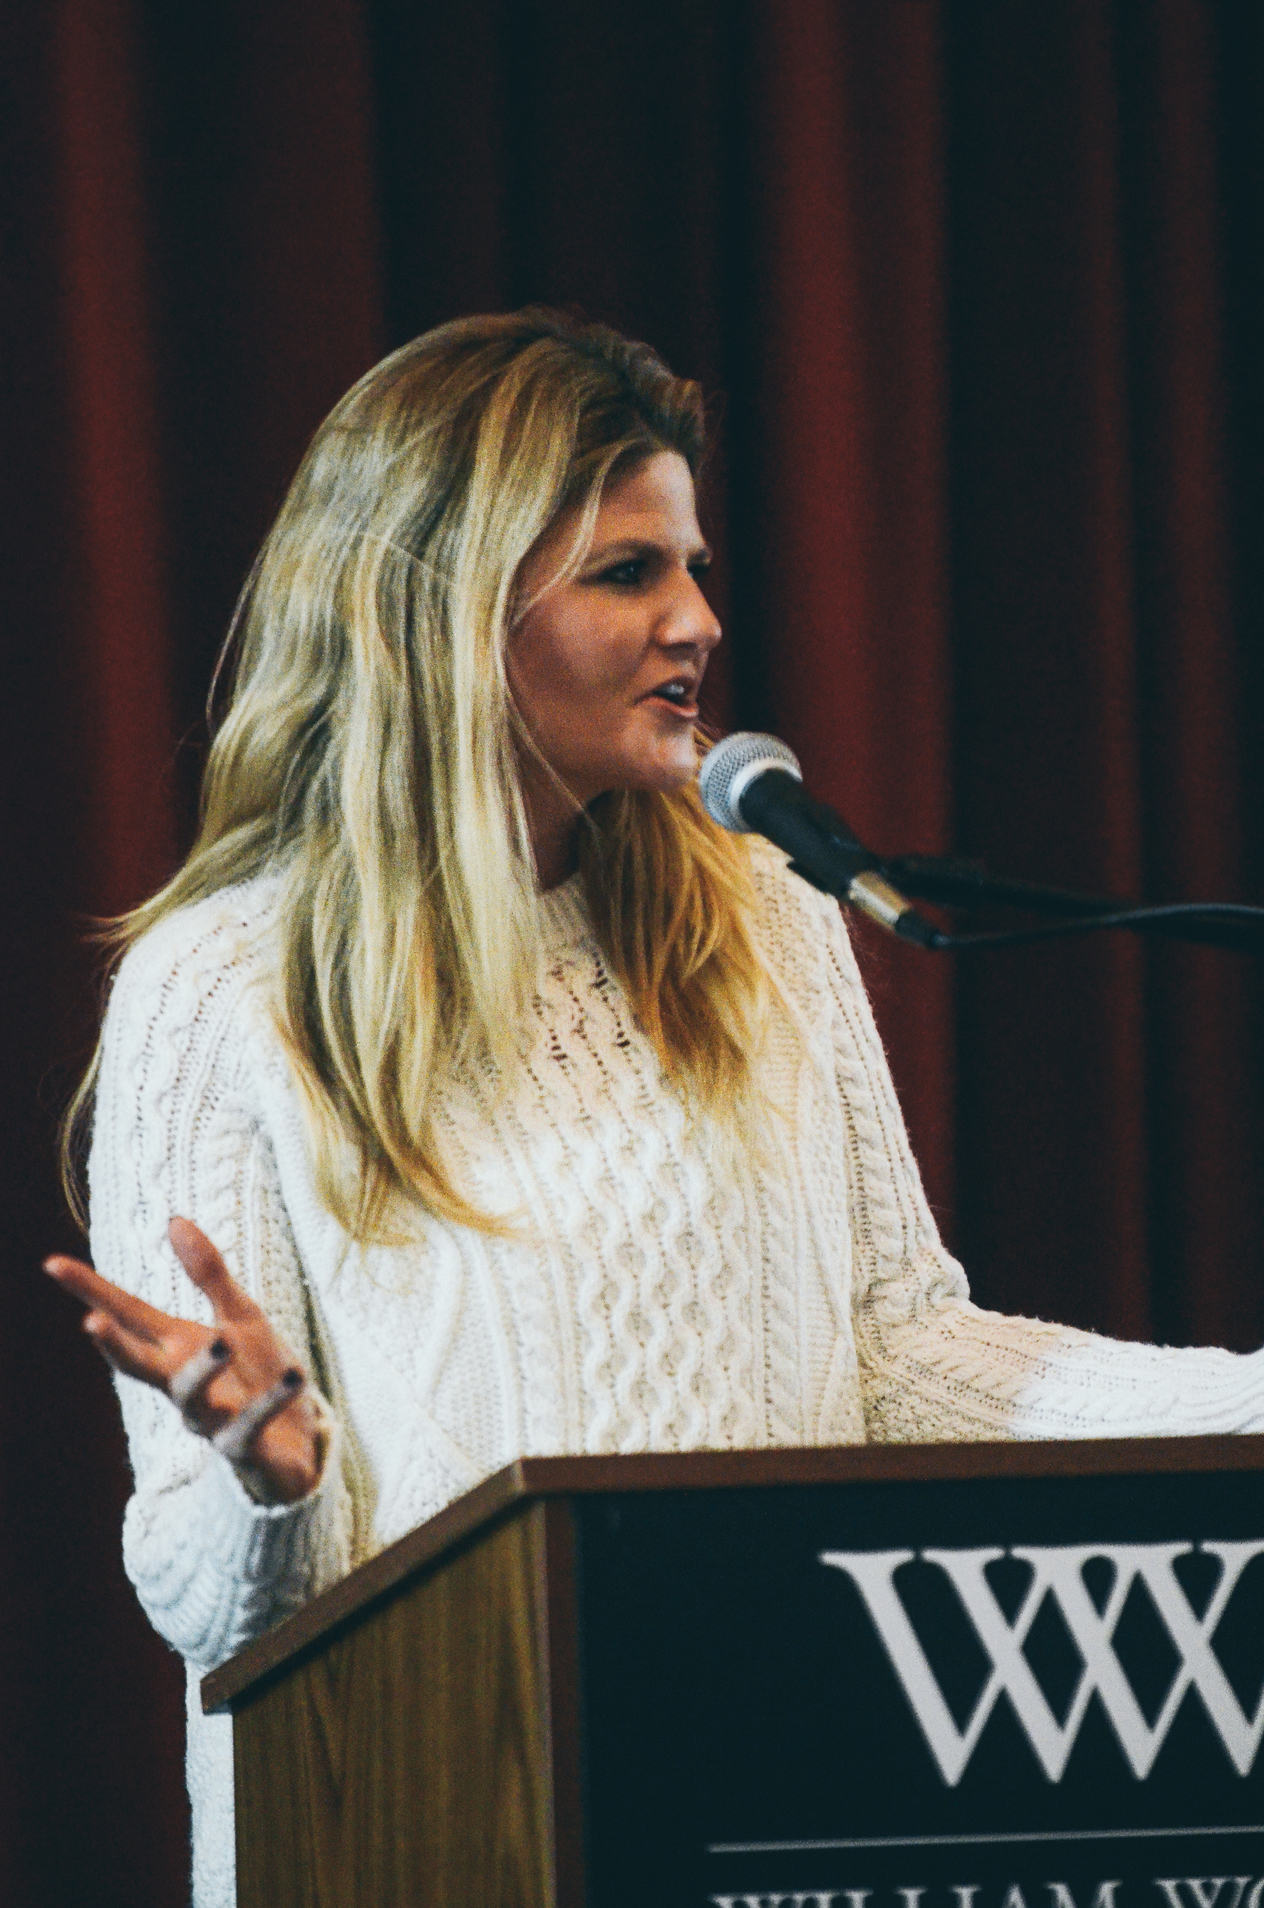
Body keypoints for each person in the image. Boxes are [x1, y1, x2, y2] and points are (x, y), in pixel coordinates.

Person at [46, 309, 1264, 1908]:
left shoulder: (760, 911)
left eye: (693, 567)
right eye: (629, 573)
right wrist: (271, 1481)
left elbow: (904, 1354)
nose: (696, 619)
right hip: (416, 1825)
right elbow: (206, 1603)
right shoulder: (225, 986)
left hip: (765, 1811)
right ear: (449, 610)